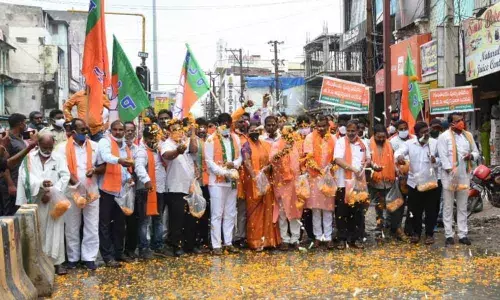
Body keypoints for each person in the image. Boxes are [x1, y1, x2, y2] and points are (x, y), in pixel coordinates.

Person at [16, 133, 70, 275]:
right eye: (44, 147)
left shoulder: (58, 157)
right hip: (35, 200)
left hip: (53, 199)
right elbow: (25, 177)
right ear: (38, 144)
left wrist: (51, 192)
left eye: (50, 147)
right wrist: (41, 185)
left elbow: (65, 176)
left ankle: (58, 263)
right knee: (37, 229)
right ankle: (37, 263)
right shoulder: (29, 158)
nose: (47, 150)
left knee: (56, 230)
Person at [57, 119, 100, 270]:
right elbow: (62, 168)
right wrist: (76, 182)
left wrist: (94, 171)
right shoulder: (62, 148)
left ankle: (89, 258)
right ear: (73, 132)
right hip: (71, 192)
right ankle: (73, 258)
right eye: (82, 130)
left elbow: (102, 165)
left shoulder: (95, 146)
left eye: (86, 130)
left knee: (92, 225)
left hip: (92, 192)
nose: (85, 133)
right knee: (72, 225)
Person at [395, 121, 440, 245]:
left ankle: (429, 234)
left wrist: (435, 160)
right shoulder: (410, 144)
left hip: (430, 182)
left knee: (431, 210)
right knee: (415, 210)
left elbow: (442, 158)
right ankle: (416, 233)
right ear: (416, 134)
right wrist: (399, 157)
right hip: (414, 183)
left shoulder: (434, 143)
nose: (426, 134)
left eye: (427, 132)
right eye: (423, 132)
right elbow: (398, 152)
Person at [97, 120, 134, 267]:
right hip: (106, 189)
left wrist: (129, 177)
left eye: (120, 130)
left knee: (120, 224)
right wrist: (120, 160)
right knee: (105, 224)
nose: (118, 132)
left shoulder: (125, 146)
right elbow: (106, 157)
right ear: (111, 130)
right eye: (115, 130)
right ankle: (107, 256)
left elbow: (126, 166)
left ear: (124, 131)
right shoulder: (104, 142)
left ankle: (119, 253)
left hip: (121, 190)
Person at [438, 113, 479, 246]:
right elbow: (443, 157)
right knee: (448, 206)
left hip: (464, 175)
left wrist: (471, 156)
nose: (462, 122)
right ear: (451, 124)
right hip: (449, 176)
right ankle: (449, 235)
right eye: (458, 121)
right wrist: (450, 172)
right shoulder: (444, 137)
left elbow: (476, 152)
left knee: (462, 205)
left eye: (462, 120)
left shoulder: (468, 135)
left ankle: (463, 234)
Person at [204, 113, 242, 255]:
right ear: (218, 124)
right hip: (217, 183)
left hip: (231, 181)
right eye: (223, 123)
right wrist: (225, 172)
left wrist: (235, 164)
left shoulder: (235, 138)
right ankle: (216, 245)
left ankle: (228, 242)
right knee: (217, 214)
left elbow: (240, 157)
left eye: (228, 123)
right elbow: (209, 162)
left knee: (230, 213)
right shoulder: (210, 140)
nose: (226, 126)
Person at [161, 118, 198, 257]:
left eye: (180, 130)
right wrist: (177, 151)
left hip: (189, 187)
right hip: (175, 187)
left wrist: (192, 132)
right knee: (176, 219)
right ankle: (175, 246)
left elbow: (194, 149)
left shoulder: (185, 142)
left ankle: (189, 245)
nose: (178, 132)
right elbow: (167, 156)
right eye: (174, 130)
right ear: (169, 132)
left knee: (189, 218)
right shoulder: (167, 144)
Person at [242, 122, 280, 251]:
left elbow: (272, 161)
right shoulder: (246, 145)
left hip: (266, 181)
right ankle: (255, 241)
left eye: (256, 130)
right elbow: (246, 161)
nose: (254, 133)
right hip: (252, 182)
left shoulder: (266, 144)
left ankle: (268, 240)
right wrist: (255, 177)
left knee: (268, 209)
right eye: (251, 130)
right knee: (255, 213)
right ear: (248, 132)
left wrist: (268, 168)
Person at [334, 120, 371, 249]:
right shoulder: (340, 142)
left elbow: (368, 159)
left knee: (357, 212)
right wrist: (353, 169)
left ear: (357, 131)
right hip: (343, 183)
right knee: (342, 211)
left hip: (358, 184)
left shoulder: (363, 143)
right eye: (348, 131)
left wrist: (364, 166)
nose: (350, 133)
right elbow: (338, 160)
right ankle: (342, 239)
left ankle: (356, 238)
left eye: (353, 131)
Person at [135, 124, 168, 259]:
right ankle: (144, 248)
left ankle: (158, 246)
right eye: (151, 137)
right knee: (144, 221)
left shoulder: (159, 149)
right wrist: (146, 180)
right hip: (146, 190)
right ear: (145, 138)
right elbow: (139, 167)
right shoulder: (141, 151)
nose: (154, 140)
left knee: (158, 219)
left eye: (156, 137)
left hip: (159, 189)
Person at [303, 115, 336, 248]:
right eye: (319, 126)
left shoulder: (333, 139)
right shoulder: (309, 138)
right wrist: (318, 169)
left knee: (328, 209)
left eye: (324, 126)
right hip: (314, 177)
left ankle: (328, 237)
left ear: (328, 126)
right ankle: (317, 237)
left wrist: (329, 168)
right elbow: (308, 156)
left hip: (329, 177)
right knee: (316, 208)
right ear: (315, 126)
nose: (321, 128)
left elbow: (336, 156)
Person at [368, 125, 405, 240]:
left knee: (394, 206)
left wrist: (397, 169)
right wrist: (373, 167)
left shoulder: (389, 144)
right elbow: (367, 161)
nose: (381, 139)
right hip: (375, 182)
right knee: (379, 208)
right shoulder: (368, 144)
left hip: (390, 181)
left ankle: (396, 229)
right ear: (374, 135)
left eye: (383, 137)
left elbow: (394, 159)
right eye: (378, 137)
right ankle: (380, 231)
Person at [270, 126, 303, 251]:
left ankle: (295, 238)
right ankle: (284, 238)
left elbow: (302, 161)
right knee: (283, 211)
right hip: (281, 183)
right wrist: (284, 151)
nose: (288, 135)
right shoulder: (276, 144)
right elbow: (272, 160)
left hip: (295, 183)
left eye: (290, 133)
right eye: (285, 133)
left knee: (295, 211)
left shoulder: (297, 145)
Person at [2, 113, 28, 216]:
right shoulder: (7, 139)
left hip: (19, 179)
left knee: (19, 211)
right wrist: (10, 184)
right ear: (20, 124)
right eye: (25, 123)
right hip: (10, 181)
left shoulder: (20, 138)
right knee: (9, 213)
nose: (26, 125)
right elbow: (3, 164)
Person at [122, 121, 140, 259]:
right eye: (126, 130)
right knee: (119, 222)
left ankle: (130, 249)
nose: (129, 133)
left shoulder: (137, 148)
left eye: (132, 130)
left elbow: (140, 166)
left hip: (134, 188)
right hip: (118, 189)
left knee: (133, 221)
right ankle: (118, 251)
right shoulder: (117, 148)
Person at [194, 118, 211, 251]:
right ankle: (196, 239)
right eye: (200, 127)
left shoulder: (212, 140)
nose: (202, 130)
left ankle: (206, 239)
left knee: (208, 212)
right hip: (196, 182)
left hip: (211, 182)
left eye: (204, 127)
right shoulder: (192, 141)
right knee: (197, 211)